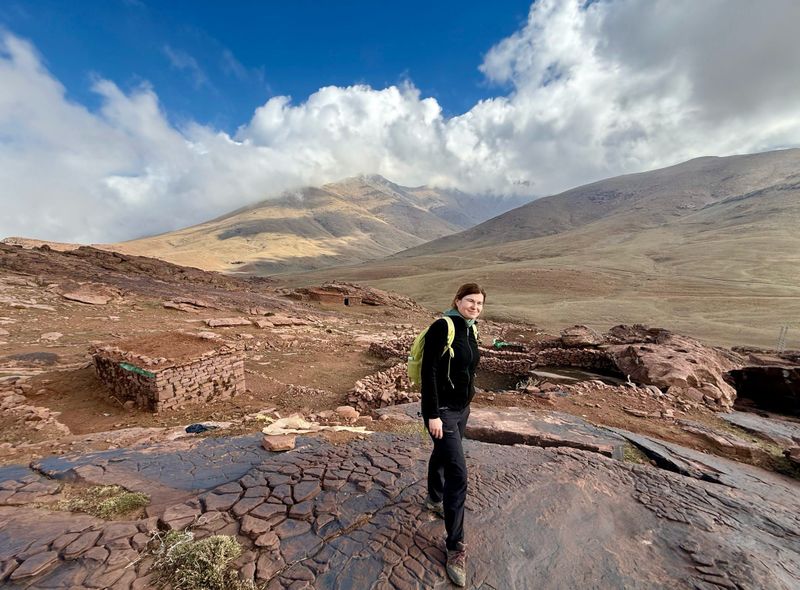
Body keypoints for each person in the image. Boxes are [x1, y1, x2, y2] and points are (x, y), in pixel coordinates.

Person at [420, 282, 485, 587]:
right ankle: (454, 546)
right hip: (443, 411)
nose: (475, 306)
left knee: (442, 454)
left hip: (462, 410)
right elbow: (429, 372)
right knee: (459, 475)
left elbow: (467, 368)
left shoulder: (471, 329)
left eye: (480, 303)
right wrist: (432, 414)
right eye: (471, 301)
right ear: (458, 301)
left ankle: (434, 497)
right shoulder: (442, 327)